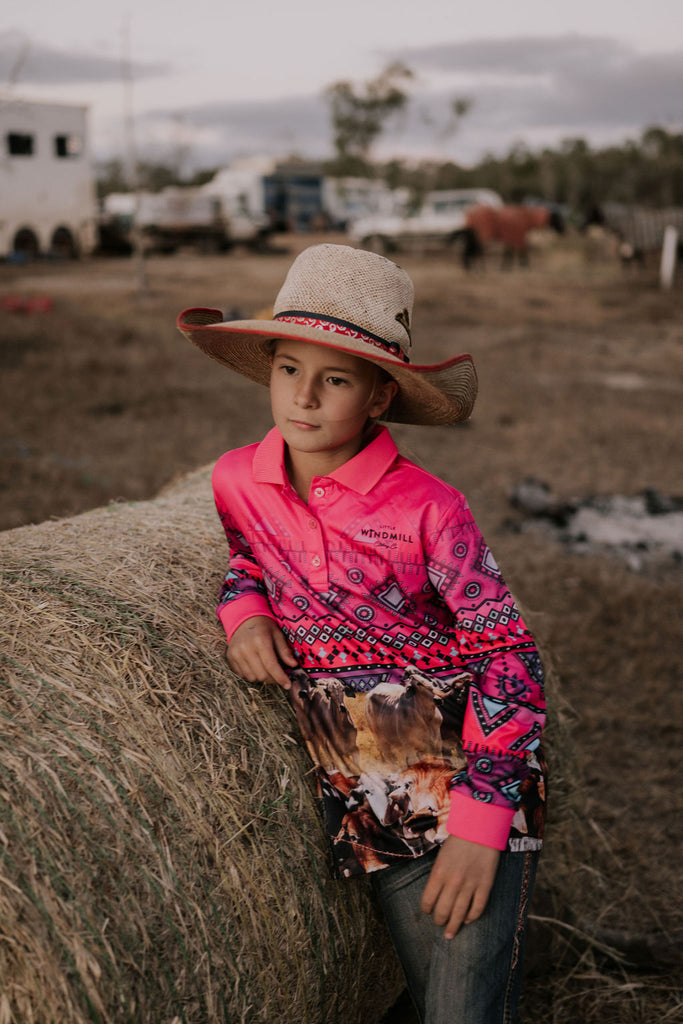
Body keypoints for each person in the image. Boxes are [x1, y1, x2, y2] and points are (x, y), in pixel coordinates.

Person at [177, 244, 546, 1024]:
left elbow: (508, 654)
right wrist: (242, 612)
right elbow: (248, 559)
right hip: (350, 760)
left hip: (455, 762)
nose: (302, 397)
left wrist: (481, 823)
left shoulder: (429, 509)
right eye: (287, 369)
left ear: (379, 398)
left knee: (460, 1009)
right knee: (423, 990)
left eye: (335, 379)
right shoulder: (237, 479)